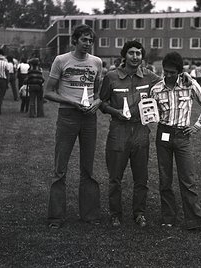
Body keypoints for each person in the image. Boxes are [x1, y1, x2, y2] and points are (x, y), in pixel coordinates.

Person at [44, 24, 103, 229]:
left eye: (90, 40)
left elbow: (97, 94)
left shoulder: (97, 62)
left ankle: (89, 214)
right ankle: (56, 217)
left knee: (88, 168)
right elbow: (48, 92)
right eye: (84, 40)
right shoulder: (61, 60)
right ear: (75, 40)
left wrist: (97, 103)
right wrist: (71, 102)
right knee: (60, 168)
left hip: (89, 118)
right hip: (68, 115)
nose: (88, 44)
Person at [150, 51, 201, 232]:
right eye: (166, 72)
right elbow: (149, 111)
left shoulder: (190, 85)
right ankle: (168, 217)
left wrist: (197, 126)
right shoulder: (156, 89)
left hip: (182, 136)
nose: (168, 75)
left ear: (179, 72)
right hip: (163, 134)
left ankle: (195, 220)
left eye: (172, 72)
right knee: (165, 179)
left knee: (187, 178)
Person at [99, 40, 161, 228]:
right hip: (119, 130)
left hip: (141, 130)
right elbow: (101, 103)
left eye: (139, 53)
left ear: (142, 57)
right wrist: (115, 112)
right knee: (115, 177)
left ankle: (139, 213)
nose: (135, 57)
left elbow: (166, 89)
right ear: (124, 56)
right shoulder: (111, 77)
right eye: (132, 53)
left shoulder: (150, 77)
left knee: (141, 177)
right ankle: (115, 214)